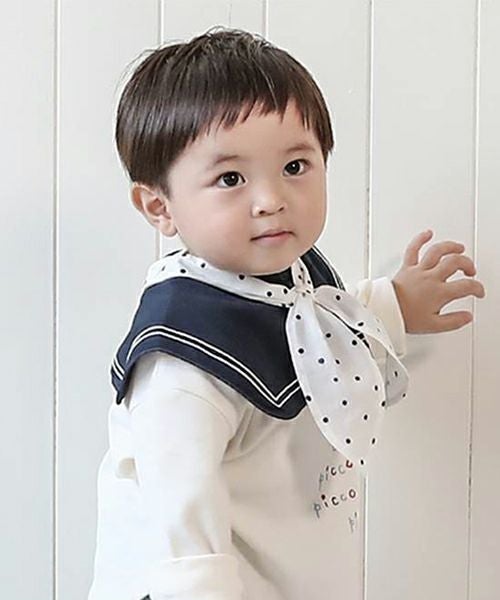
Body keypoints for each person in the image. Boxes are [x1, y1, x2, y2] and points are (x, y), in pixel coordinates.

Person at [87, 26, 485, 600]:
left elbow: (321, 332)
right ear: (159, 206)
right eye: (230, 178)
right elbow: (182, 509)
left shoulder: (288, 273)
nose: (271, 199)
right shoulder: (182, 357)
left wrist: (394, 304)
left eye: (295, 167)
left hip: (285, 563)